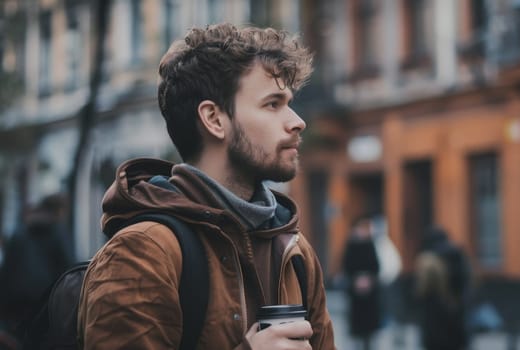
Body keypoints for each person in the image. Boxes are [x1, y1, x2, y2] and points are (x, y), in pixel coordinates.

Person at [77, 23, 336, 349]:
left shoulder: (294, 250)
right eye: (273, 104)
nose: (297, 121)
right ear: (214, 119)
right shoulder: (142, 253)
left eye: (289, 102)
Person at [0, 194, 74, 345]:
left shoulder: (19, 232)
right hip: (47, 308)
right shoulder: (58, 232)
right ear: (58, 211)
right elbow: (70, 270)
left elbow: (6, 273)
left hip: (16, 310)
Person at [414, 226, 471, 350]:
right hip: (456, 316)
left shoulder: (429, 259)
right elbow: (466, 284)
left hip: (434, 322)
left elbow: (421, 291)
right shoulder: (458, 255)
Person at [342, 215, 382, 350]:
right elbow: (346, 267)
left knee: (369, 324)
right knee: (358, 322)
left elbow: (376, 266)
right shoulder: (351, 245)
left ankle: (368, 343)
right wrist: (356, 281)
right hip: (356, 291)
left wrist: (369, 279)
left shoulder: (371, 244)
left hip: (370, 291)